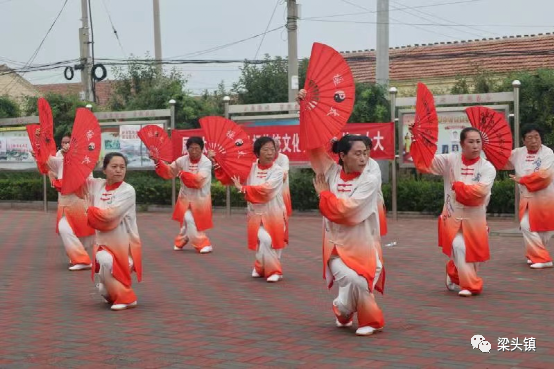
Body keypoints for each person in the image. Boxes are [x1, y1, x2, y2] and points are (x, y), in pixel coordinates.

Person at [310, 134, 385, 336]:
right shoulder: (331, 173)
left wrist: (324, 195)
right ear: (342, 155)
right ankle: (372, 320)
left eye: (366, 153)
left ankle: (342, 310)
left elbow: (347, 212)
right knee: (357, 281)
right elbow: (314, 147)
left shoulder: (369, 180)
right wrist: (305, 111)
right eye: (358, 154)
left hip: (364, 245)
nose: (363, 158)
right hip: (335, 247)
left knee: (358, 284)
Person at [410, 125, 496, 297]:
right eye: (470, 142)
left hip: (476, 219)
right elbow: (426, 163)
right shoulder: (449, 160)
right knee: (459, 246)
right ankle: (470, 285)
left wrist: (458, 186)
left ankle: (453, 270)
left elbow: (480, 193)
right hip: (452, 216)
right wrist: (418, 139)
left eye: (478, 142)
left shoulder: (487, 168)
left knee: (474, 258)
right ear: (462, 144)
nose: (475, 146)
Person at [210, 136, 286, 283]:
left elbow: (267, 190)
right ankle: (272, 270)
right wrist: (216, 161)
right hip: (255, 214)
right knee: (264, 240)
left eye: (272, 149)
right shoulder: (249, 167)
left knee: (271, 242)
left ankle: (262, 267)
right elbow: (230, 175)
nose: (270, 152)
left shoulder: (278, 171)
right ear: (257, 152)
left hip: (274, 213)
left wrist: (244, 189)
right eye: (266, 149)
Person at [86, 152, 142, 311]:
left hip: (125, 248)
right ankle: (116, 294)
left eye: (122, 167)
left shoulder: (127, 190)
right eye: (114, 166)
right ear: (104, 170)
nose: (119, 170)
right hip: (103, 243)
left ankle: (126, 298)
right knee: (104, 283)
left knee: (106, 261)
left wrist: (89, 212)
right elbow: (77, 183)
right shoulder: (97, 185)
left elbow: (110, 216)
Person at [151, 137, 214, 254]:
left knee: (191, 222)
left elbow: (198, 181)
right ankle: (203, 243)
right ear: (187, 149)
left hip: (200, 199)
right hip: (185, 198)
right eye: (191, 148)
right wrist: (157, 161)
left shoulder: (206, 162)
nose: (194, 151)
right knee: (189, 220)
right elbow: (169, 171)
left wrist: (181, 174)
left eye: (197, 148)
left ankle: (183, 239)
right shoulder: (182, 160)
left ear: (202, 149)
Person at [504, 124, 554, 269]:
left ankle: (535, 255)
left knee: (544, 232)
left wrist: (523, 180)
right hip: (527, 198)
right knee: (526, 225)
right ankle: (542, 259)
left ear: (541, 138)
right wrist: (491, 152)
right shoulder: (518, 153)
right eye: (529, 137)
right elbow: (503, 161)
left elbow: (544, 175)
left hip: (545, 198)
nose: (533, 141)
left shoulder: (548, 153)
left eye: (536, 137)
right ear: (523, 140)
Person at [43, 134, 95, 271]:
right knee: (64, 228)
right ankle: (81, 259)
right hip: (64, 204)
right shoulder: (59, 160)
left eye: (69, 143)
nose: (66, 145)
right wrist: (38, 152)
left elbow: (89, 182)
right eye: (64, 143)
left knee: (82, 233)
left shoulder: (83, 162)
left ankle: (80, 257)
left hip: (79, 202)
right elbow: (47, 161)